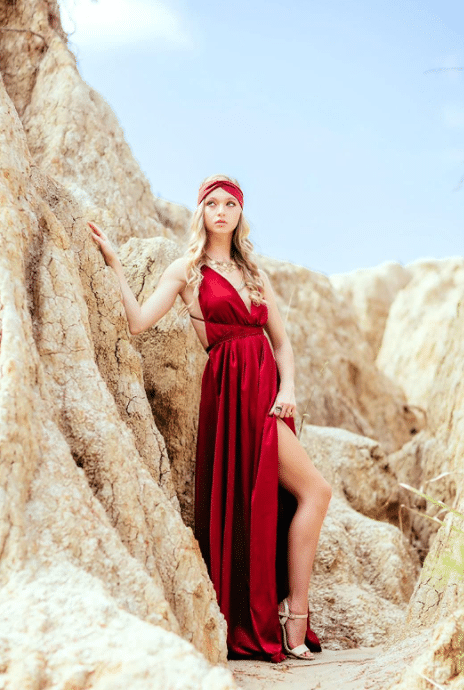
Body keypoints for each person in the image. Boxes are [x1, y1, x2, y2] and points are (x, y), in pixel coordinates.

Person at [88, 174, 332, 663]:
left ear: (240, 213)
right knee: (286, 495)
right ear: (200, 212)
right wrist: (115, 263)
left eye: (230, 204)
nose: (221, 211)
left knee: (307, 493)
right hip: (228, 390)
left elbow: (280, 341)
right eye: (212, 203)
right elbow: (137, 322)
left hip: (264, 391)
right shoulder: (187, 270)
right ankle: (288, 621)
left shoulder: (254, 271)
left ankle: (294, 614)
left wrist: (288, 389)